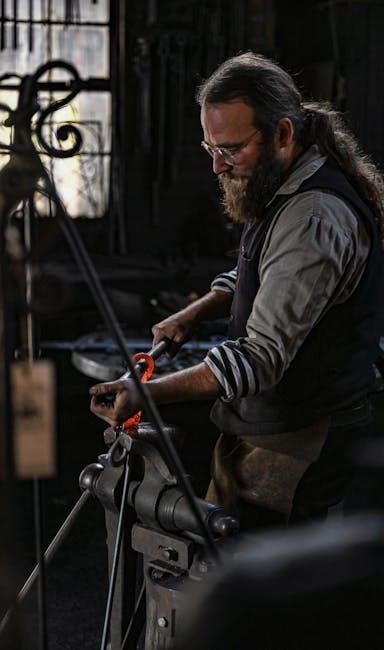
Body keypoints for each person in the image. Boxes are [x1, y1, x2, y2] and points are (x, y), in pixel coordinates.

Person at [90, 52, 384, 530]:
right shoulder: (285, 185)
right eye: (210, 148)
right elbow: (262, 273)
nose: (216, 166)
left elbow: (259, 357)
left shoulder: (313, 217)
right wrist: (198, 310)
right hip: (273, 422)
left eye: (230, 149)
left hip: (299, 436)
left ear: (283, 134)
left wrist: (146, 393)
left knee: (258, 568)